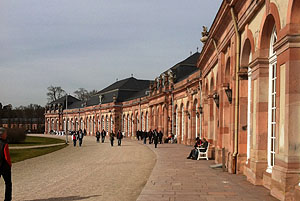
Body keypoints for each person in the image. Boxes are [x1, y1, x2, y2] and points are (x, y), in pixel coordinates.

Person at [0, 127, 12, 201]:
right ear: (2, 135)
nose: (6, 135)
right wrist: (9, 165)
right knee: (8, 183)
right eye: (5, 134)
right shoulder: (5, 144)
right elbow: (7, 157)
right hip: (5, 167)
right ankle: (7, 199)